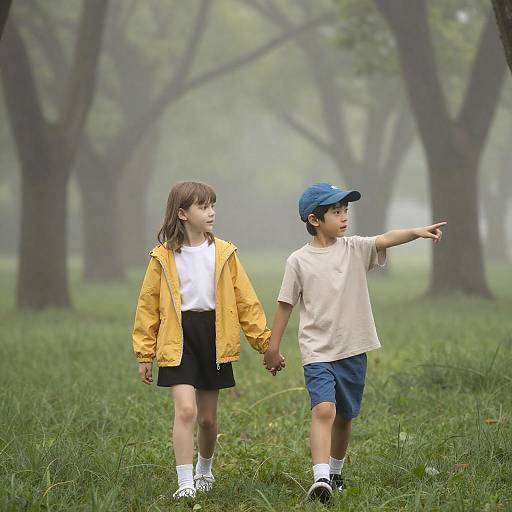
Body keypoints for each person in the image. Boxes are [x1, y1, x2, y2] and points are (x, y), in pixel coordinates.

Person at [264, 182, 446, 502]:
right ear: (315, 219)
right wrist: (273, 347)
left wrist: (416, 232)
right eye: (336, 211)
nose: (344, 216)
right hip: (317, 350)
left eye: (346, 210)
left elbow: (386, 238)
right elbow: (285, 304)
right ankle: (320, 478)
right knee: (323, 410)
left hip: (353, 348)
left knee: (345, 416)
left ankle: (335, 472)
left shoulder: (354, 248)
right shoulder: (298, 261)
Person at [132, 181, 282, 500]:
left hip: (214, 336)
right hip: (178, 336)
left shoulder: (224, 253)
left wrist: (265, 344)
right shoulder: (162, 257)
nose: (211, 212)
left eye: (213, 205)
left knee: (207, 419)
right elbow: (147, 306)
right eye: (203, 206)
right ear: (183, 214)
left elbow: (246, 301)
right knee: (185, 411)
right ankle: (185, 483)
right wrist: (145, 353)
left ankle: (204, 468)